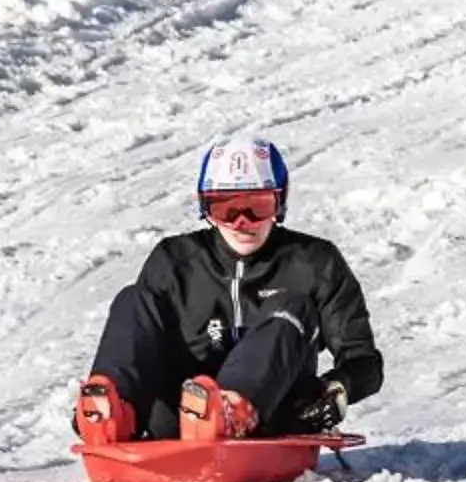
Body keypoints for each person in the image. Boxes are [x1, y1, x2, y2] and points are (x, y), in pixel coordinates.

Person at [72, 139, 384, 445]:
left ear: (280, 203)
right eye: (226, 209)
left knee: (293, 306)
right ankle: (110, 413)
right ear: (206, 208)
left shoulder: (315, 261)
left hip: (272, 416)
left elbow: (364, 362)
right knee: (133, 299)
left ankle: (231, 410)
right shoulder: (174, 260)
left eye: (257, 207)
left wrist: (337, 391)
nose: (241, 223)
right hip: (179, 417)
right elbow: (141, 342)